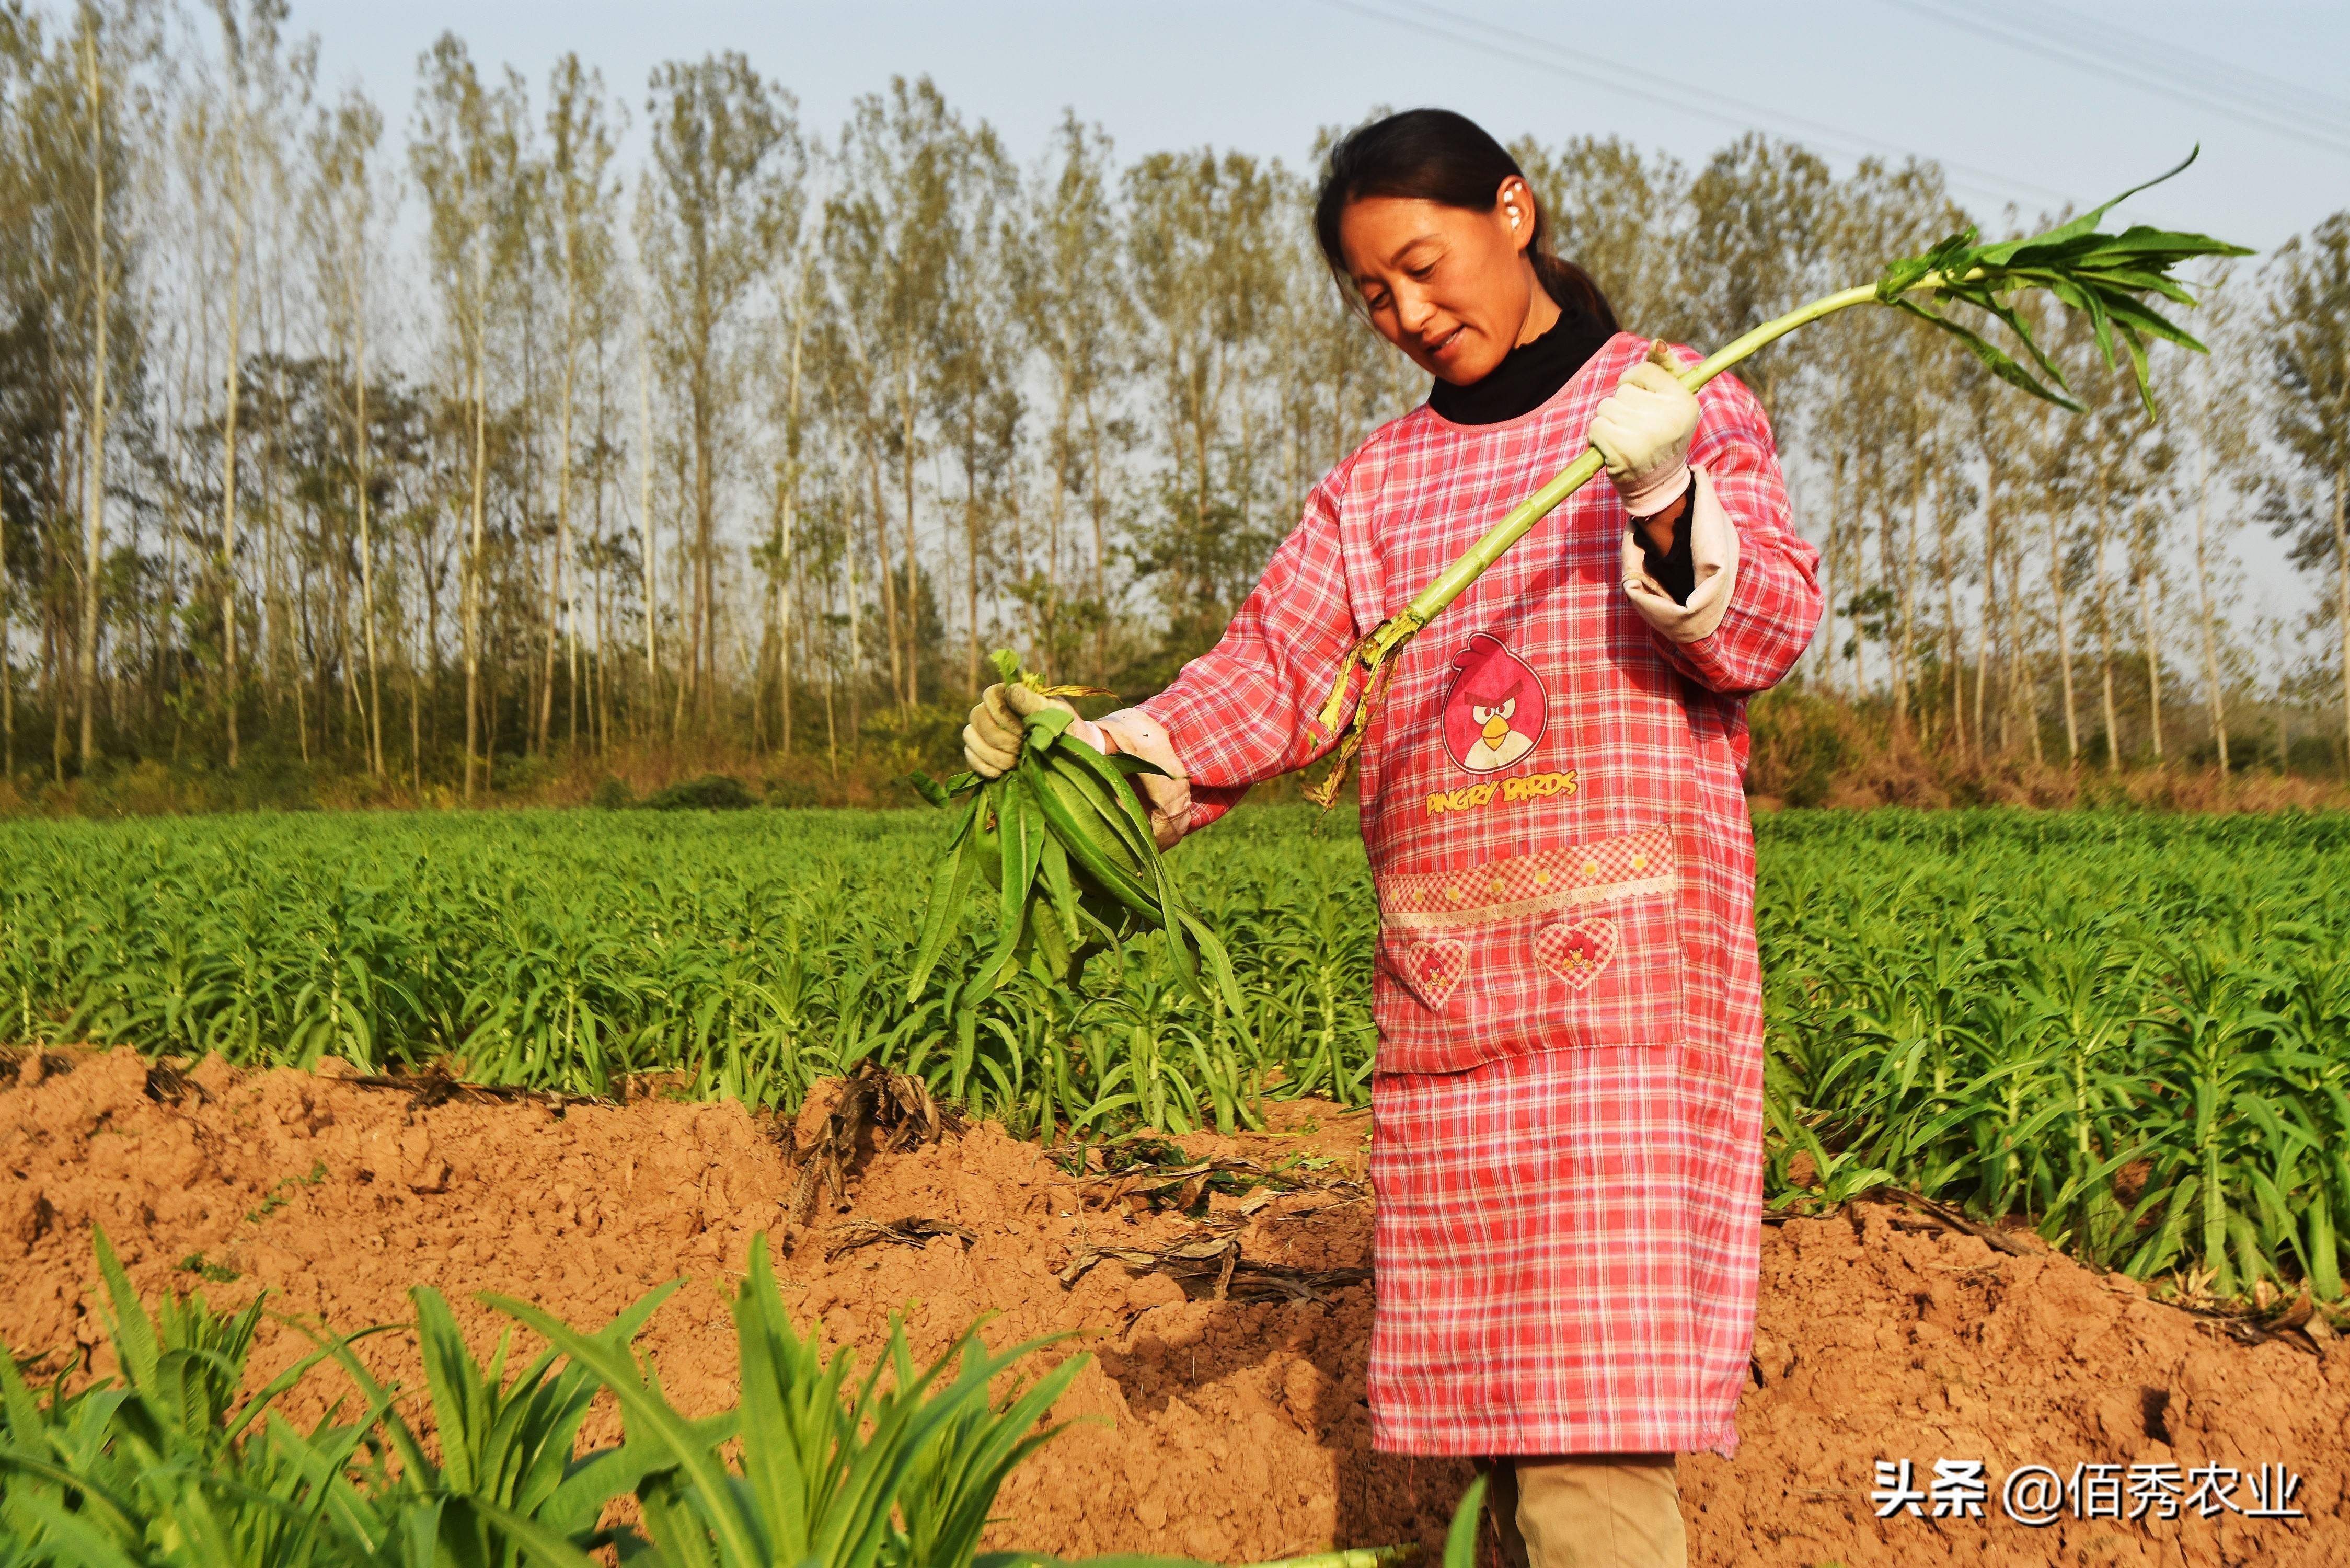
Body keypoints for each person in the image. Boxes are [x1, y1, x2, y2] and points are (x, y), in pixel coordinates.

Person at [962, 108, 1819, 1568]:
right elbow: (1269, 679)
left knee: (1587, 1450)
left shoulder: (1672, 401)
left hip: (1624, 1007)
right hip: (1456, 1013)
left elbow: (1770, 626)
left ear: (1515, 210)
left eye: (1426, 268)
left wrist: (1664, 497)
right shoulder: (1377, 490)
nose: (1413, 316)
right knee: (1506, 1437)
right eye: (1377, 298)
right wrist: (1085, 755)